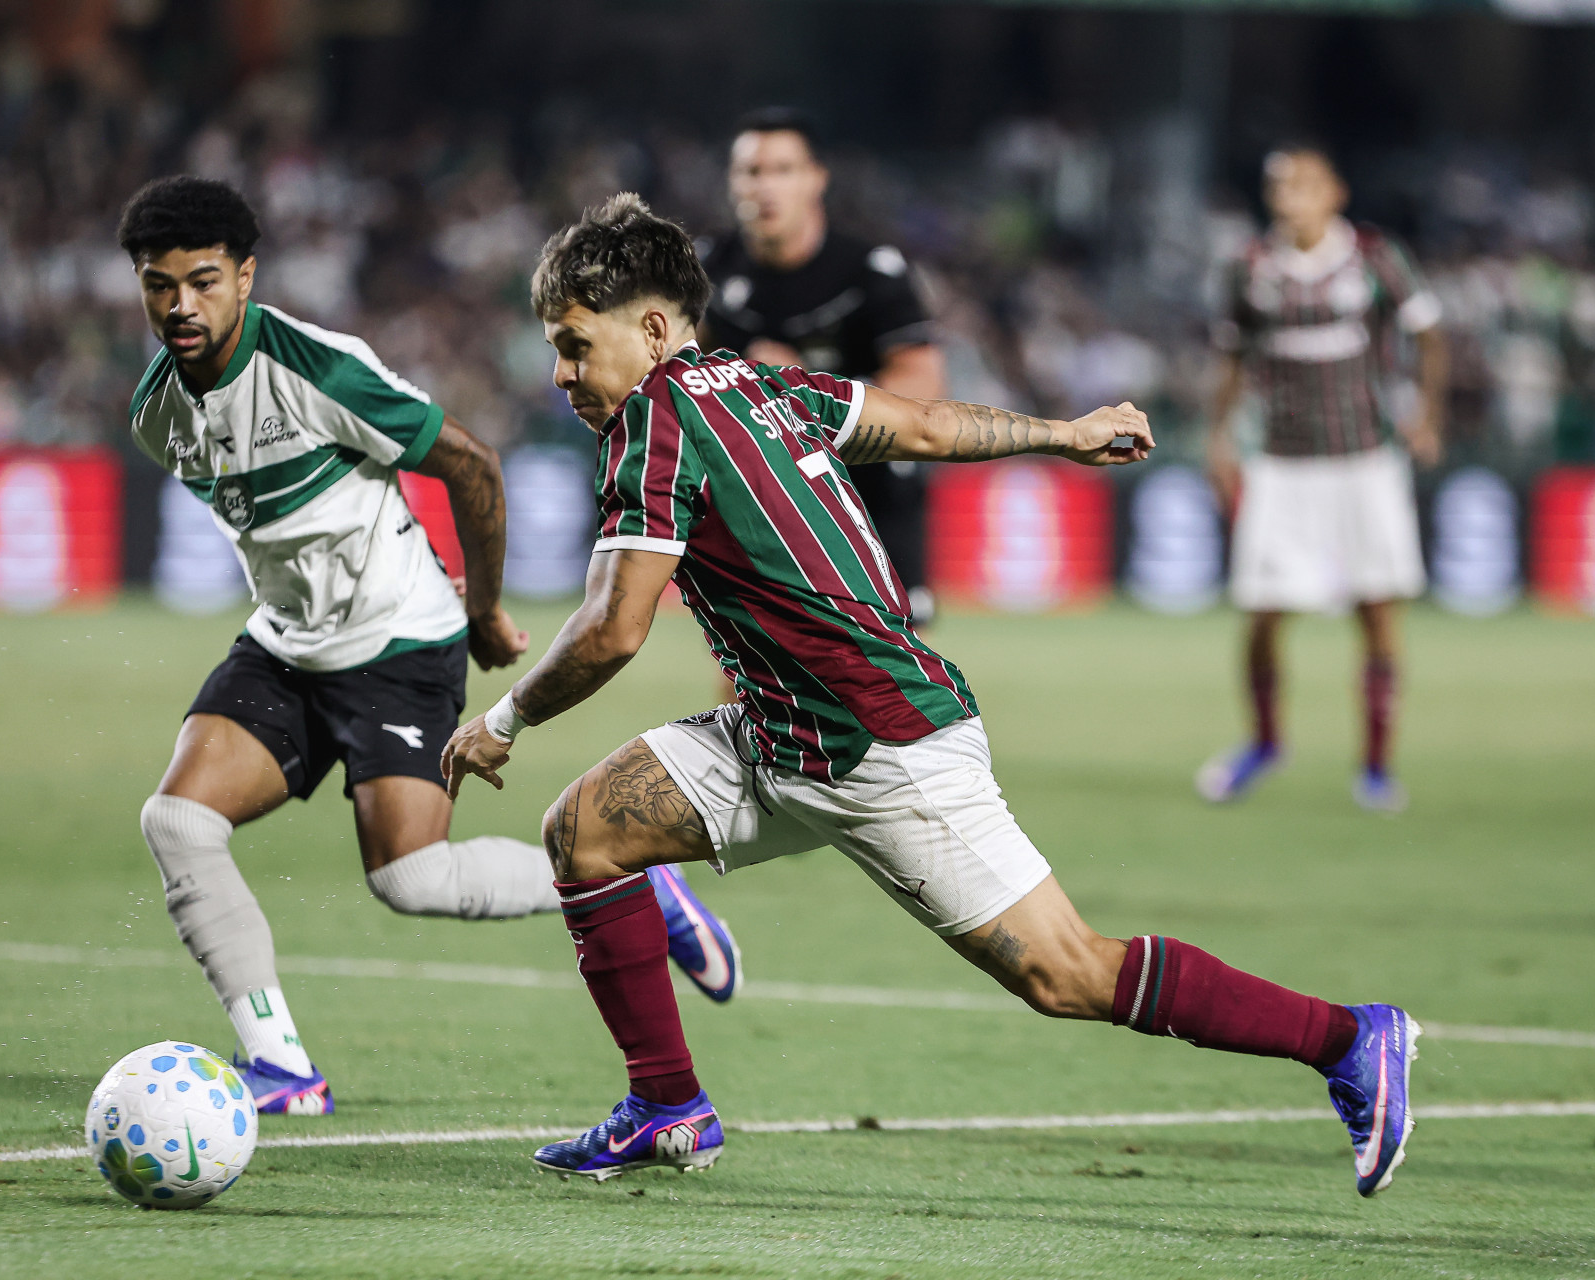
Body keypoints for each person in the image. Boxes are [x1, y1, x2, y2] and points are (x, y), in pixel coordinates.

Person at [440, 194, 1420, 1198]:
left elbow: (613, 625)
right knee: (586, 832)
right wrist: (1064, 433)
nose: (561, 373)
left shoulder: (659, 417)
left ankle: (1348, 1037)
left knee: (1068, 972)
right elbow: (931, 426)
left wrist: (501, 720)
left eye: (573, 344)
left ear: (651, 329)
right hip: (783, 734)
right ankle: (666, 1104)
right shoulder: (769, 387)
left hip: (883, 744)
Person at [118, 177, 742, 1116]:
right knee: (177, 823)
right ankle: (283, 1068)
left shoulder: (317, 369)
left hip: (400, 642)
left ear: (246, 276)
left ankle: (649, 895)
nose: (180, 306)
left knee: (409, 878)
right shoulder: (156, 413)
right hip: (287, 644)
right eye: (158, 285)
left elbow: (471, 464)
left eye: (202, 281)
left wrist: (486, 611)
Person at [1198, 145, 1449, 813]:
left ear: (1334, 192)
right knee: (1261, 612)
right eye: (1279, 186)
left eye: (1304, 185)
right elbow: (1230, 358)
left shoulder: (1374, 257)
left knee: (1376, 608)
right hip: (1280, 463)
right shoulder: (1251, 266)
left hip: (1364, 460)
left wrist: (1426, 415)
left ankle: (1375, 764)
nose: (1289, 197)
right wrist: (1219, 437)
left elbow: (1431, 337)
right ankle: (1265, 742)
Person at [699, 107, 946, 623]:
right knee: (754, 665)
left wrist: (808, 391)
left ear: (816, 179)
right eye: (752, 171)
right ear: (732, 182)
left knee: (890, 672)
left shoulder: (870, 270)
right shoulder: (706, 271)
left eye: (783, 170)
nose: (765, 187)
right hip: (762, 490)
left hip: (867, 487)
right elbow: (677, 373)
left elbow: (923, 386)